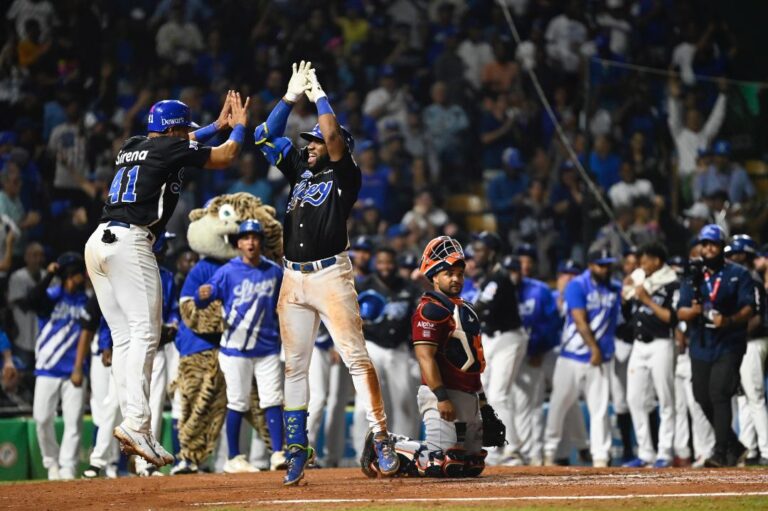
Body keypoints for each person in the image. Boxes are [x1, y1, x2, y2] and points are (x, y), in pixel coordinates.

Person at [83, 90, 250, 467]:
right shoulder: (170, 147)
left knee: (126, 338)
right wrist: (236, 129)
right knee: (146, 334)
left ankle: (134, 423)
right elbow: (226, 156)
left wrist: (214, 126)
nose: (187, 135)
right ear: (173, 129)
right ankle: (138, 425)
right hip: (131, 241)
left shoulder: (134, 144)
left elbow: (181, 144)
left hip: (98, 243)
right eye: (184, 130)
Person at [252, 61, 399, 485]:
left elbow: (332, 134)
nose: (311, 144)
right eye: (310, 141)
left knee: (355, 357)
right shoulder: (299, 170)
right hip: (292, 278)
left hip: (330, 275)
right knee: (294, 367)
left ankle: (381, 436)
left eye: (315, 140)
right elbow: (264, 136)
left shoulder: (344, 173)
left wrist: (320, 97)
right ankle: (297, 449)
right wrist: (289, 96)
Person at [361, 236, 487, 478]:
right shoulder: (429, 309)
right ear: (435, 276)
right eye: (449, 273)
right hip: (440, 392)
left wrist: (481, 399)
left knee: (470, 465)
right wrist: (441, 397)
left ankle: (410, 446)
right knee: (440, 463)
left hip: (468, 394)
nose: (456, 279)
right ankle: (386, 444)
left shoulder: (465, 308)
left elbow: (474, 359)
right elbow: (425, 357)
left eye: (460, 273)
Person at [194, 220, 285, 473]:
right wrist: (202, 298)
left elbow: (284, 304)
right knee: (237, 402)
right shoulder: (227, 271)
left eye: (255, 237)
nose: (251, 242)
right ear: (238, 243)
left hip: (267, 347)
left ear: (261, 241)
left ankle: (278, 453)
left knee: (273, 400)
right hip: (235, 349)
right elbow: (204, 298)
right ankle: (233, 457)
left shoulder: (274, 271)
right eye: (245, 238)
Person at [677, 224, 755, 467]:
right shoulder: (693, 276)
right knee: (701, 396)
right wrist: (694, 311)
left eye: (713, 243)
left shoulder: (738, 274)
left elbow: (749, 308)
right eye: (704, 243)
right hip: (701, 342)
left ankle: (720, 452)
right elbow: (680, 310)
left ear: (722, 246)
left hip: (729, 341)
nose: (708, 248)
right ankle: (734, 445)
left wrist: (729, 320)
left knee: (719, 393)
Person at [544, 248, 621, 467]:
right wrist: (593, 349)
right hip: (572, 357)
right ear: (590, 265)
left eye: (607, 264)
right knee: (559, 405)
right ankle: (549, 452)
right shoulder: (577, 286)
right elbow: (579, 320)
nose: (605, 269)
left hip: (601, 359)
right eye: (600, 265)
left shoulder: (614, 287)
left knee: (600, 410)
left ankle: (600, 457)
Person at [26, 253, 92, 480]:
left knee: (74, 421)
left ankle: (67, 466)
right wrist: (50, 275)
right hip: (48, 367)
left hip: (75, 370)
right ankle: (51, 461)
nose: (80, 278)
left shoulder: (86, 300)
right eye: (76, 274)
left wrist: (82, 369)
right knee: (42, 418)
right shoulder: (51, 296)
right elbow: (31, 301)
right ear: (67, 275)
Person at [353, 247, 421, 450]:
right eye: (381, 262)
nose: (385, 267)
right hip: (372, 347)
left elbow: (419, 315)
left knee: (405, 401)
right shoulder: (364, 285)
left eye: (389, 262)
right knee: (367, 401)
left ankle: (406, 450)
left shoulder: (407, 287)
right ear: (376, 263)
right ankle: (363, 452)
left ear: (395, 264)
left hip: (399, 349)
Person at [472, 231, 528, 466]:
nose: (476, 255)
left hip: (508, 338)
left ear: (492, 252)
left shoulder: (499, 277)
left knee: (499, 394)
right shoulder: (489, 278)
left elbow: (482, 307)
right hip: (491, 338)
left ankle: (512, 449)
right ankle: (496, 448)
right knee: (485, 395)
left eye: (481, 250)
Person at [621, 242, 679, 468]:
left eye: (646, 260)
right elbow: (628, 316)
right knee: (634, 398)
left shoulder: (672, 284)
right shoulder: (640, 281)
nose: (641, 264)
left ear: (658, 261)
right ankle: (645, 452)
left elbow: (671, 318)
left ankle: (665, 451)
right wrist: (626, 297)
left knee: (665, 399)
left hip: (662, 343)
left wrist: (646, 299)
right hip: (639, 345)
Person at [503, 255, 559, 465]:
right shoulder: (503, 289)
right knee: (508, 404)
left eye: (523, 266)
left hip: (532, 355)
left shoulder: (539, 290)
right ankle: (515, 451)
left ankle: (533, 453)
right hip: (508, 356)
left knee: (533, 405)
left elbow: (551, 324)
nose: (520, 270)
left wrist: (540, 350)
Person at [725, 235, 768, 465]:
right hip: (744, 342)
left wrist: (733, 331)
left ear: (746, 255)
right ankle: (750, 448)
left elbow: (757, 319)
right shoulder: (741, 279)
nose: (730, 258)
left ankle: (766, 450)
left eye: (735, 254)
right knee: (744, 397)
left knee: (755, 396)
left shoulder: (750, 279)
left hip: (753, 341)